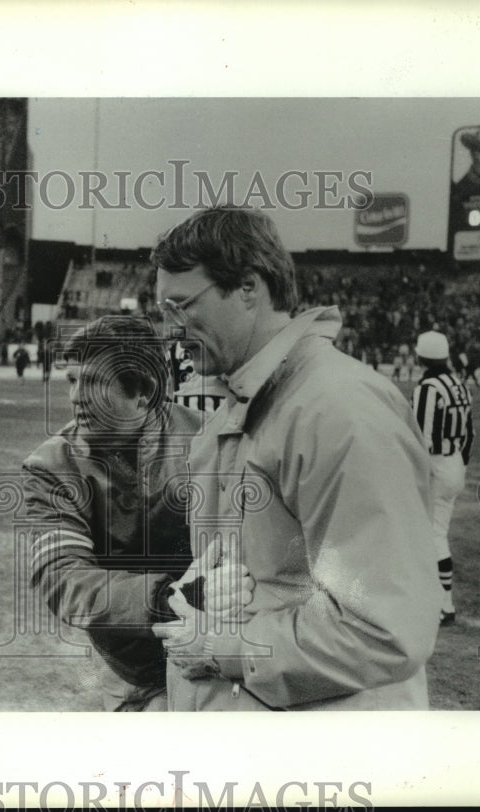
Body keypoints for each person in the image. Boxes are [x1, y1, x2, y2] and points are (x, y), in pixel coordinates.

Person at [149, 206, 440, 711]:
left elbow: (384, 628)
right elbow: (261, 576)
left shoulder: (338, 409)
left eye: (181, 307)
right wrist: (196, 598)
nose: (171, 330)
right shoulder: (240, 405)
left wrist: (225, 647)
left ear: (247, 289)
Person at [22, 316, 209, 711]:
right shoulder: (52, 466)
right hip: (135, 669)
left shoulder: (208, 440)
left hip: (217, 650)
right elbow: (62, 578)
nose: (75, 398)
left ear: (142, 392)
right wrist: (168, 598)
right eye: (72, 380)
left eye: (92, 382)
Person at [412, 330, 475, 626]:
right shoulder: (459, 384)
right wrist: (459, 464)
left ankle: (444, 604)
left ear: (420, 356)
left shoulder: (427, 388)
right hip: (455, 464)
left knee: (432, 535)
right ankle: (435, 598)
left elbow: (421, 438)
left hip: (436, 465)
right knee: (435, 532)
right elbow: (470, 433)